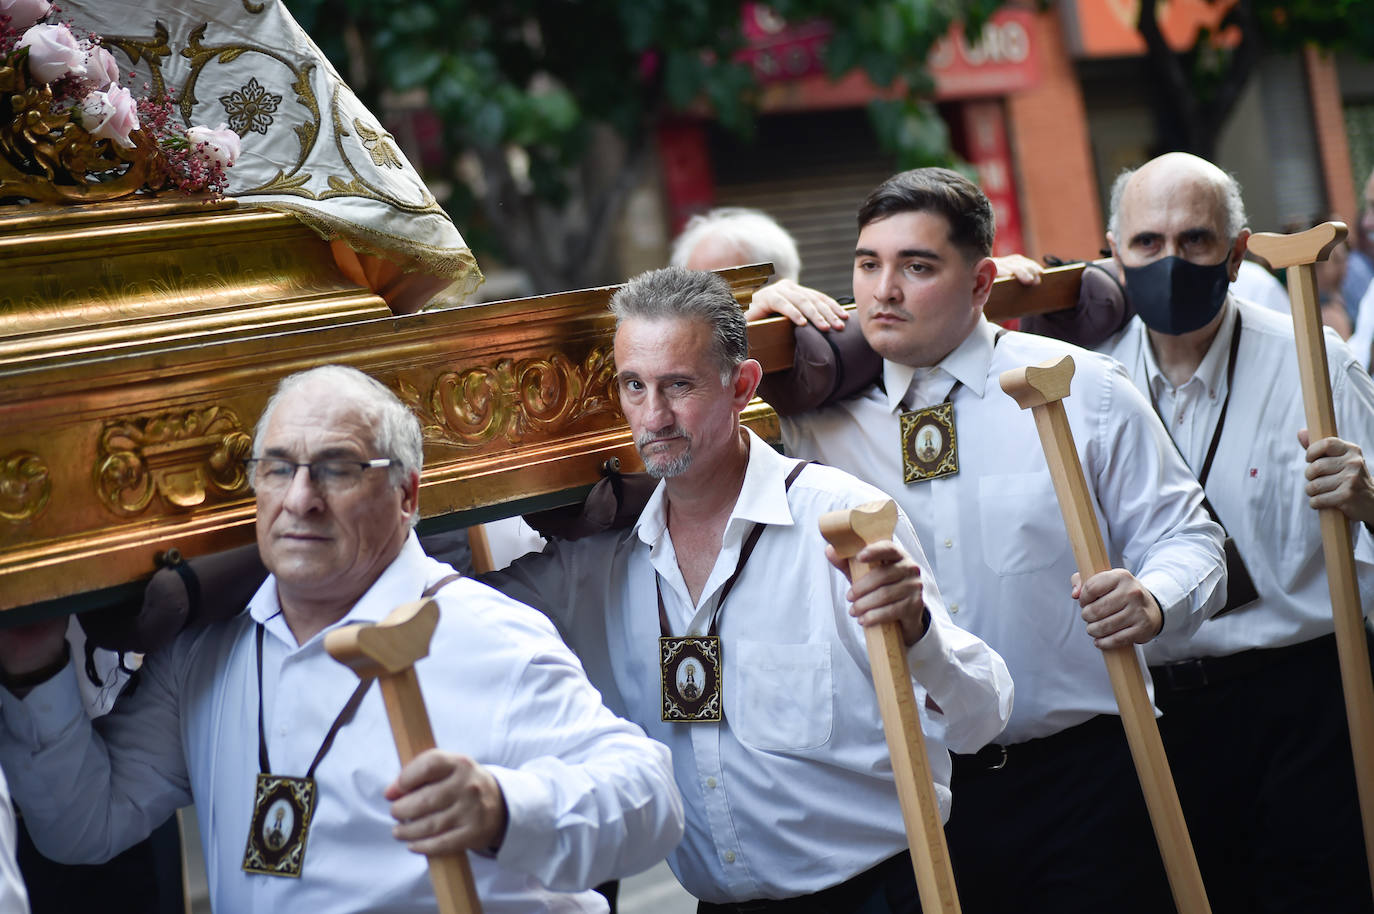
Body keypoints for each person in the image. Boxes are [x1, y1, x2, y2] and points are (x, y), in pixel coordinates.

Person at [0, 365, 684, 913]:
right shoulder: (207, 656)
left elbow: (650, 798)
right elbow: (85, 828)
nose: (301, 498)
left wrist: (502, 806)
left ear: (408, 495)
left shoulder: (485, 633)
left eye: (336, 468)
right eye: (277, 469)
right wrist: (36, 669)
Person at [750, 167, 1227, 914]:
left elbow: (1192, 541)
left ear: (980, 283)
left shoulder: (1081, 389)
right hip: (918, 802)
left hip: (1088, 779)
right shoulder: (816, 427)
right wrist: (758, 326)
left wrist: (1153, 599)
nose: (884, 290)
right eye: (868, 264)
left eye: (917, 266)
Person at [486, 266, 1013, 911]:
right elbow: (442, 617)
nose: (654, 416)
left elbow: (983, 713)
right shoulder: (600, 565)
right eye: (633, 386)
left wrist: (920, 634)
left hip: (883, 893)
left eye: (679, 385)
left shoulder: (841, 520)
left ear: (742, 386)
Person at [1100, 152, 1374, 913]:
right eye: (1147, 243)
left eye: (1195, 240)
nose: (1170, 259)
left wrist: (1368, 496)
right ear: (1113, 251)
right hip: (1160, 715)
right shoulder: (1090, 388)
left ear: (1237, 250)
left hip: (1306, 701)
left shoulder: (1313, 363)